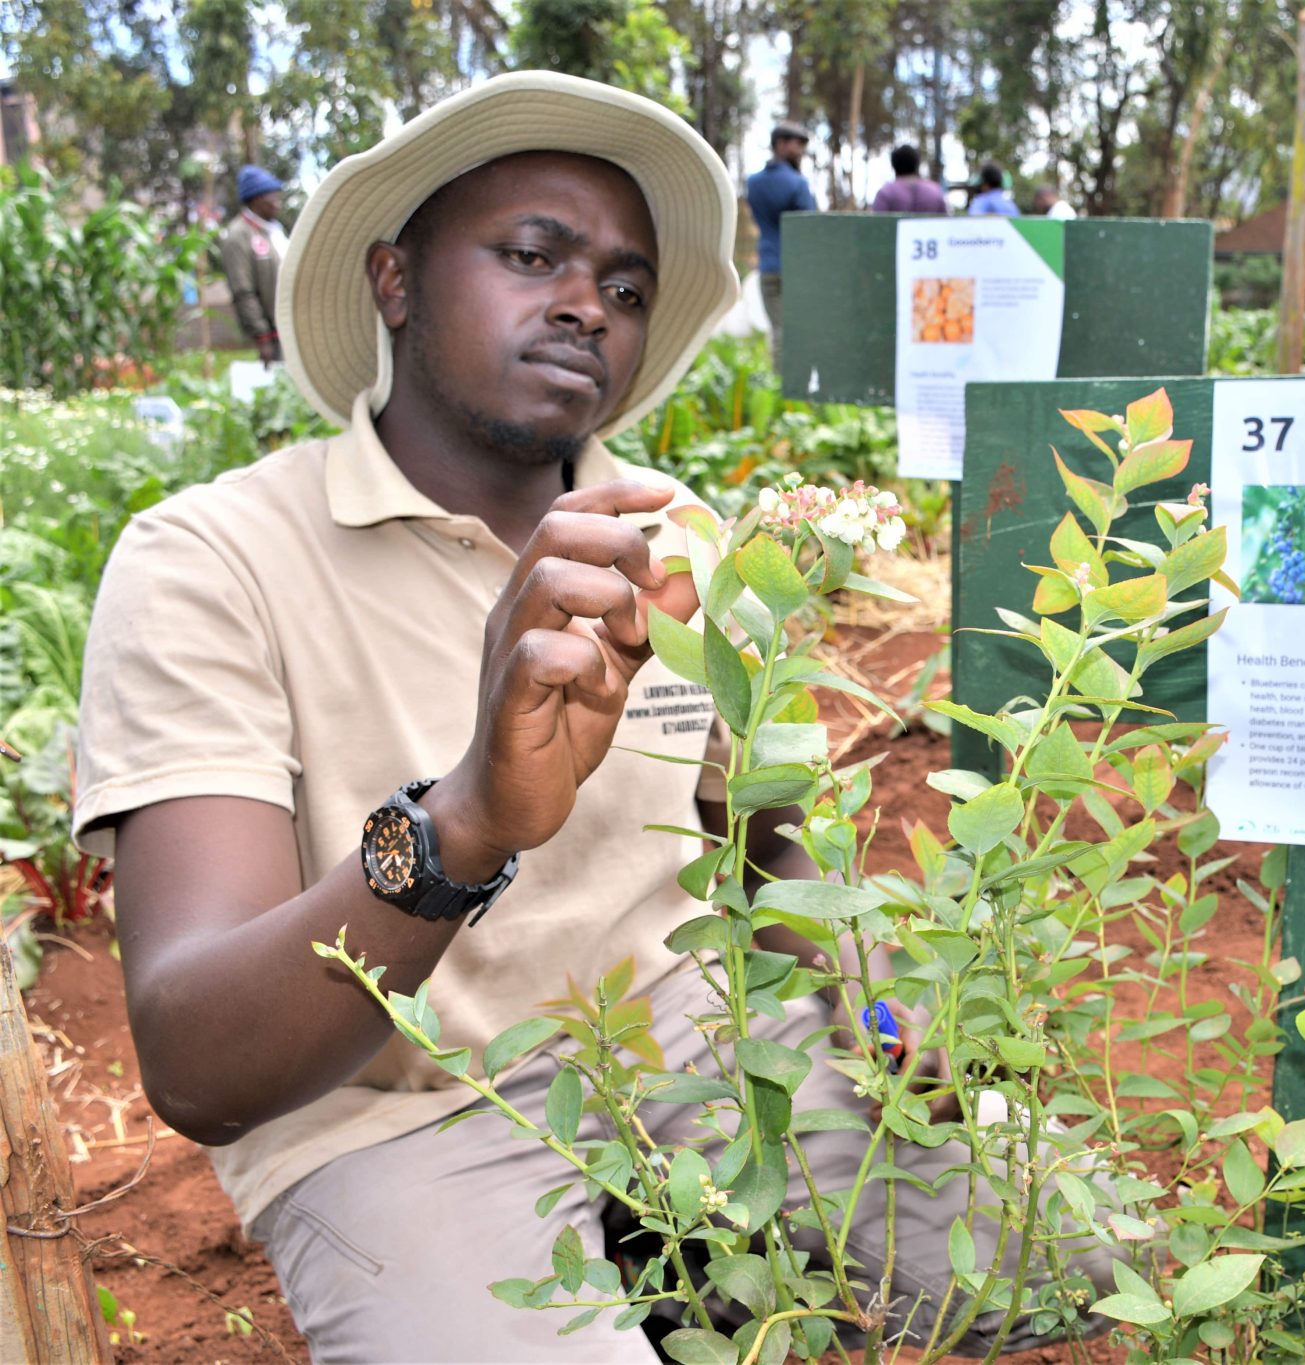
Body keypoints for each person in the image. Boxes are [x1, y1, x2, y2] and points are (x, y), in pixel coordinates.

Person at [73, 72, 1105, 1361]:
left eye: (624, 289)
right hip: (397, 1111)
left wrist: (879, 1011)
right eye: (531, 255)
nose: (584, 305)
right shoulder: (210, 560)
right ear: (394, 281)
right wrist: (463, 824)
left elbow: (769, 841)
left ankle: (680, 1271)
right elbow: (197, 1063)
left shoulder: (682, 541)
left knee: (1070, 1257)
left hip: (698, 1048)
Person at [744, 119, 815, 366]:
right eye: (797, 145)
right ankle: (793, 387)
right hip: (797, 268)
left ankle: (781, 387)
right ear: (780, 144)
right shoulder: (798, 184)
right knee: (797, 331)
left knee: (778, 329)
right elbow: (809, 228)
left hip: (768, 265)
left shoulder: (752, 183)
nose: (801, 152)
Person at [218, 164, 290, 364]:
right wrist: (262, 337)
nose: (278, 202)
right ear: (256, 199)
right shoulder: (238, 236)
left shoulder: (275, 230)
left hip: (292, 327)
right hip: (273, 334)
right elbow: (243, 290)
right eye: (272, 196)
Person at [870, 143, 947, 214]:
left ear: (894, 166)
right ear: (917, 164)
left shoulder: (886, 193)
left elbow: (876, 225)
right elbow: (946, 222)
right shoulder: (935, 191)